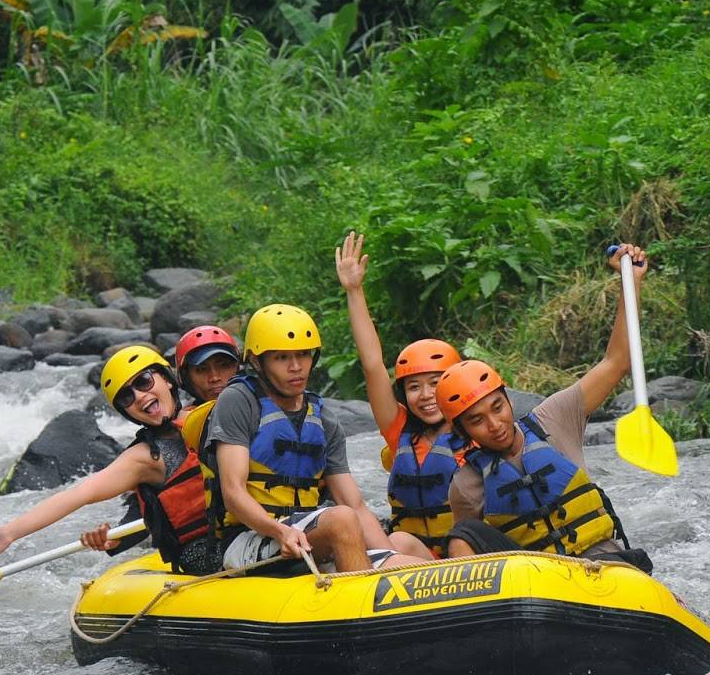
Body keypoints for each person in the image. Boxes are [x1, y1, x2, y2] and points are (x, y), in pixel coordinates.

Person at [436, 245, 653, 572]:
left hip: (604, 567)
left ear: (507, 398)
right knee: (462, 534)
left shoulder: (556, 417)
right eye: (477, 420)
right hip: (539, 583)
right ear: (463, 430)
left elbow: (617, 362)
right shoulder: (465, 485)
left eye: (497, 407)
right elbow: (475, 555)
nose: (495, 424)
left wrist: (630, 282)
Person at [0, 345, 222, 576]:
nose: (139, 396)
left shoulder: (207, 414)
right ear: (126, 412)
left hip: (242, 530)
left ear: (168, 380)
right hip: (206, 552)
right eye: (127, 397)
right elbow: (78, 494)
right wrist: (9, 532)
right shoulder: (143, 458)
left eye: (143, 382)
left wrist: (117, 539)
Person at [199, 303, 430, 573]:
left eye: (303, 355)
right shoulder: (238, 401)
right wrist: (279, 532)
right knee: (341, 519)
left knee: (406, 563)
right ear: (257, 362)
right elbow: (233, 492)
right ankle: (357, 608)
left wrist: (386, 555)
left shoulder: (322, 419)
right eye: (282, 358)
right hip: (248, 538)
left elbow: (354, 503)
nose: (296, 367)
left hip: (307, 535)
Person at [335, 230, 467, 558]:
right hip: (418, 560)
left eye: (436, 383)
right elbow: (373, 365)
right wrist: (354, 291)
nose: (425, 395)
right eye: (413, 387)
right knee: (394, 543)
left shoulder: (478, 430)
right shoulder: (400, 432)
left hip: (472, 557)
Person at [81, 325, 242, 558]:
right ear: (185, 379)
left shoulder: (261, 409)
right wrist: (115, 539)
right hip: (211, 547)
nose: (215, 377)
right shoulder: (171, 441)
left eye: (224, 366)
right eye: (202, 370)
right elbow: (147, 508)